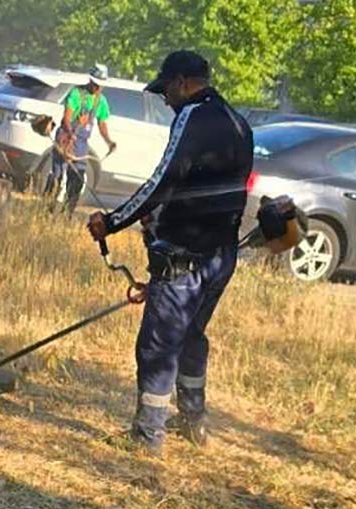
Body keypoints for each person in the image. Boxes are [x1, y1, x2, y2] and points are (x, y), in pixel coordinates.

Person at [86, 51, 253, 456]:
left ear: (182, 82)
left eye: (166, 91)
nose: (165, 100)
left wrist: (112, 221)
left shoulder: (192, 115)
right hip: (221, 256)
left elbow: (164, 179)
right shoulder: (239, 123)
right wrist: (158, 220)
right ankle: (194, 422)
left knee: (159, 345)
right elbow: (207, 188)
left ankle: (148, 436)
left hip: (184, 257)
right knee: (191, 336)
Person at [45, 64, 118, 212]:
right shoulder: (76, 94)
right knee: (57, 176)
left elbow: (102, 124)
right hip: (65, 137)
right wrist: (71, 132)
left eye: (101, 85)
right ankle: (47, 209)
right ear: (90, 81)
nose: (98, 88)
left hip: (81, 143)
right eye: (96, 84)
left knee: (77, 179)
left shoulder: (101, 101)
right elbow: (66, 119)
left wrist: (109, 141)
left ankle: (67, 213)